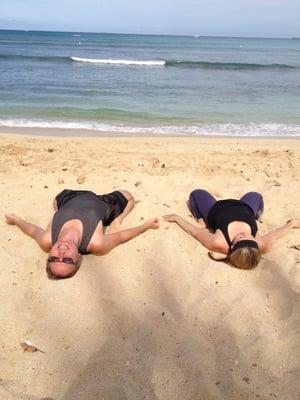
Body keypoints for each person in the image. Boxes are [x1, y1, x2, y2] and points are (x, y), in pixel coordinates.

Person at [5, 189, 159, 279]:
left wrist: (16, 220)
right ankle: (116, 220)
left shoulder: (47, 240)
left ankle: (60, 211)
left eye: (54, 258)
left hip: (69, 198)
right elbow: (121, 237)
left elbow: (32, 231)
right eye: (66, 260)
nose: (61, 252)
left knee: (55, 200)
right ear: (78, 257)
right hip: (103, 203)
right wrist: (146, 226)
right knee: (129, 197)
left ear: (49, 254)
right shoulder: (95, 243)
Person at [164, 189, 299, 270]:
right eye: (250, 236)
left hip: (215, 208)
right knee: (256, 195)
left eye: (240, 237)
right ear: (255, 241)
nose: (242, 234)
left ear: (232, 245)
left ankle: (201, 219)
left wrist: (177, 218)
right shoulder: (262, 245)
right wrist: (291, 224)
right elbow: (277, 233)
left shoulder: (218, 241)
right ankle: (257, 218)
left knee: (196, 193)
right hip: (245, 207)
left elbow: (194, 231)